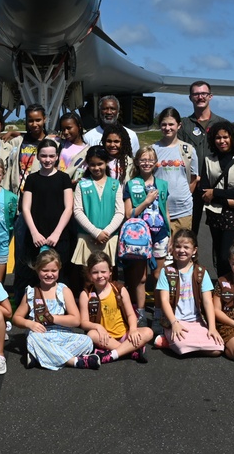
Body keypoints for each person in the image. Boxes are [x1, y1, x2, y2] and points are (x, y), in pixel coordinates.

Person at [11, 249, 99, 370]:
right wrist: (29, 323)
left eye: (54, 270)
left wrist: (53, 318)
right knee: (32, 339)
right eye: (45, 270)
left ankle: (39, 356)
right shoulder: (31, 293)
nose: (49, 274)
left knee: (87, 341)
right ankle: (74, 361)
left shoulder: (64, 290)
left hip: (62, 335)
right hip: (41, 335)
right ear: (37, 270)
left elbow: (76, 320)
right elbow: (16, 318)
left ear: (59, 270)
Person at [17, 138, 75, 300]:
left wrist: (57, 233)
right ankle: (35, 307)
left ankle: (60, 306)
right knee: (35, 273)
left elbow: (68, 208)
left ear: (57, 156)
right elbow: (26, 208)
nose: (47, 160)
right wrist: (34, 233)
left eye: (51, 156)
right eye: (43, 156)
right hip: (36, 235)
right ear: (37, 156)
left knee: (59, 274)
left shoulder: (63, 178)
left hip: (59, 236)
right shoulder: (32, 179)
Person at [154, 229, 224, 356]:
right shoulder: (166, 271)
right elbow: (164, 300)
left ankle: (176, 343)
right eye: (178, 246)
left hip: (197, 321)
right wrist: (174, 323)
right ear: (172, 248)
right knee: (182, 348)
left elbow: (208, 302)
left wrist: (212, 327)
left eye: (186, 247)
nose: (182, 250)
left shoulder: (201, 272)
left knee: (217, 349)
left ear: (194, 250)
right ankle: (171, 339)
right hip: (176, 320)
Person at [78, 252, 153, 364]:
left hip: (125, 334)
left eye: (103, 271)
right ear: (89, 274)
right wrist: (98, 327)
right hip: (105, 338)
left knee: (148, 332)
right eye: (95, 272)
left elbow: (131, 314)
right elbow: (83, 322)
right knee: (91, 335)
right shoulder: (86, 295)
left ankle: (113, 354)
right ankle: (130, 351)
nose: (100, 276)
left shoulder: (119, 289)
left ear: (110, 271)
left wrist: (132, 329)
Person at [122, 145, 170, 317]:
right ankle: (141, 312)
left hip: (160, 234)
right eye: (143, 159)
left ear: (156, 162)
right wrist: (146, 201)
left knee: (158, 276)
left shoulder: (163, 184)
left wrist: (169, 233)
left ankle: (158, 311)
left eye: (150, 159)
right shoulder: (131, 184)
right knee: (141, 277)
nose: (147, 163)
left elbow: (165, 210)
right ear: (137, 162)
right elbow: (129, 214)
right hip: (139, 236)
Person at [179, 81, 229, 238]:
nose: (200, 97)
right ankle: (191, 261)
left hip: (216, 186)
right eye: (196, 94)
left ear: (210, 96)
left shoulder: (222, 123)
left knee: (220, 233)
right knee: (189, 232)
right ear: (190, 98)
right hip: (192, 186)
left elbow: (230, 155)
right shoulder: (184, 125)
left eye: (204, 94)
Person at [201, 121, 234, 277]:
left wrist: (216, 193)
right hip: (215, 214)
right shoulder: (209, 160)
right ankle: (223, 285)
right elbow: (204, 190)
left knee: (228, 255)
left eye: (225, 137)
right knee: (218, 254)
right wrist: (226, 197)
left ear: (232, 138)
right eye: (218, 138)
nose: (222, 141)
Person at [72, 146, 124, 287]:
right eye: (92, 164)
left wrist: (105, 233)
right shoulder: (82, 184)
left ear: (106, 162)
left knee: (108, 276)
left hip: (109, 238)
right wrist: (95, 232)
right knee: (89, 277)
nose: (96, 168)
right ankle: (87, 305)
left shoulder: (115, 184)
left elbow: (120, 212)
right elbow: (77, 211)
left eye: (100, 164)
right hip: (87, 236)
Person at [153, 107, 199, 235]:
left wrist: (184, 196)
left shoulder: (188, 150)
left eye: (171, 124)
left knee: (181, 251)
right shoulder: (153, 150)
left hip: (183, 211)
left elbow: (194, 178)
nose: (167, 128)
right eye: (164, 124)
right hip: (158, 210)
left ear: (179, 126)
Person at [57, 111, 89, 183]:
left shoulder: (86, 150)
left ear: (79, 127)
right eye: (63, 129)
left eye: (69, 128)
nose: (65, 132)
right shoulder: (60, 144)